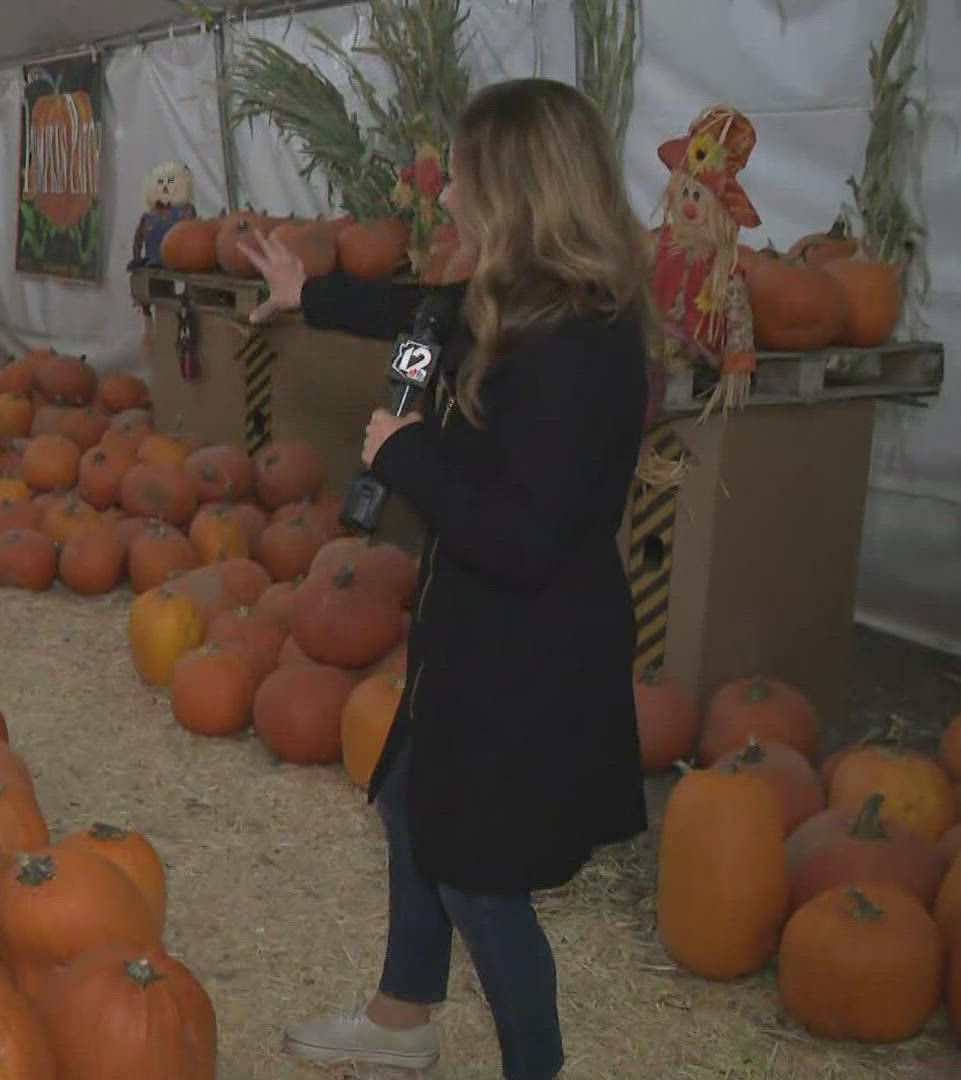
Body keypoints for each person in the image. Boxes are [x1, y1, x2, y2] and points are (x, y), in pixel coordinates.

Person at [242, 77, 656, 1079]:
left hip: (533, 655)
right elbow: (422, 313)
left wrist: (406, 453)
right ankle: (402, 1015)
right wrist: (313, 295)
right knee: (411, 800)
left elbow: (522, 537)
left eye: (465, 175)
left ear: (516, 188)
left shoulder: (575, 350)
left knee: (479, 879)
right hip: (476, 631)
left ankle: (536, 1066)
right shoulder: (511, 305)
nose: (449, 195)